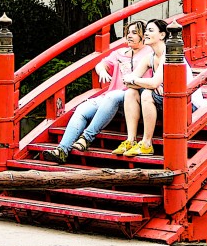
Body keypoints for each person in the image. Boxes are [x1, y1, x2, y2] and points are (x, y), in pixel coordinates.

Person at [48, 21, 145, 163]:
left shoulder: (148, 53)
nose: (129, 36)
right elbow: (100, 64)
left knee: (112, 96)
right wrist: (103, 71)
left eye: (134, 33)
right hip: (111, 96)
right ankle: (62, 149)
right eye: (128, 33)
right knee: (81, 110)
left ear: (144, 36)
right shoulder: (120, 53)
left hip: (133, 97)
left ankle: (87, 138)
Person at [114, 18, 207, 157]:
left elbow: (149, 82)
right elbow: (128, 82)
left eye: (151, 30)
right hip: (165, 100)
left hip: (186, 104)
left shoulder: (169, 55)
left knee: (147, 94)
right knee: (131, 93)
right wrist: (148, 83)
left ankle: (147, 143)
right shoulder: (150, 57)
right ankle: (131, 140)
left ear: (162, 35)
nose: (146, 33)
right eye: (146, 30)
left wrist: (148, 83)